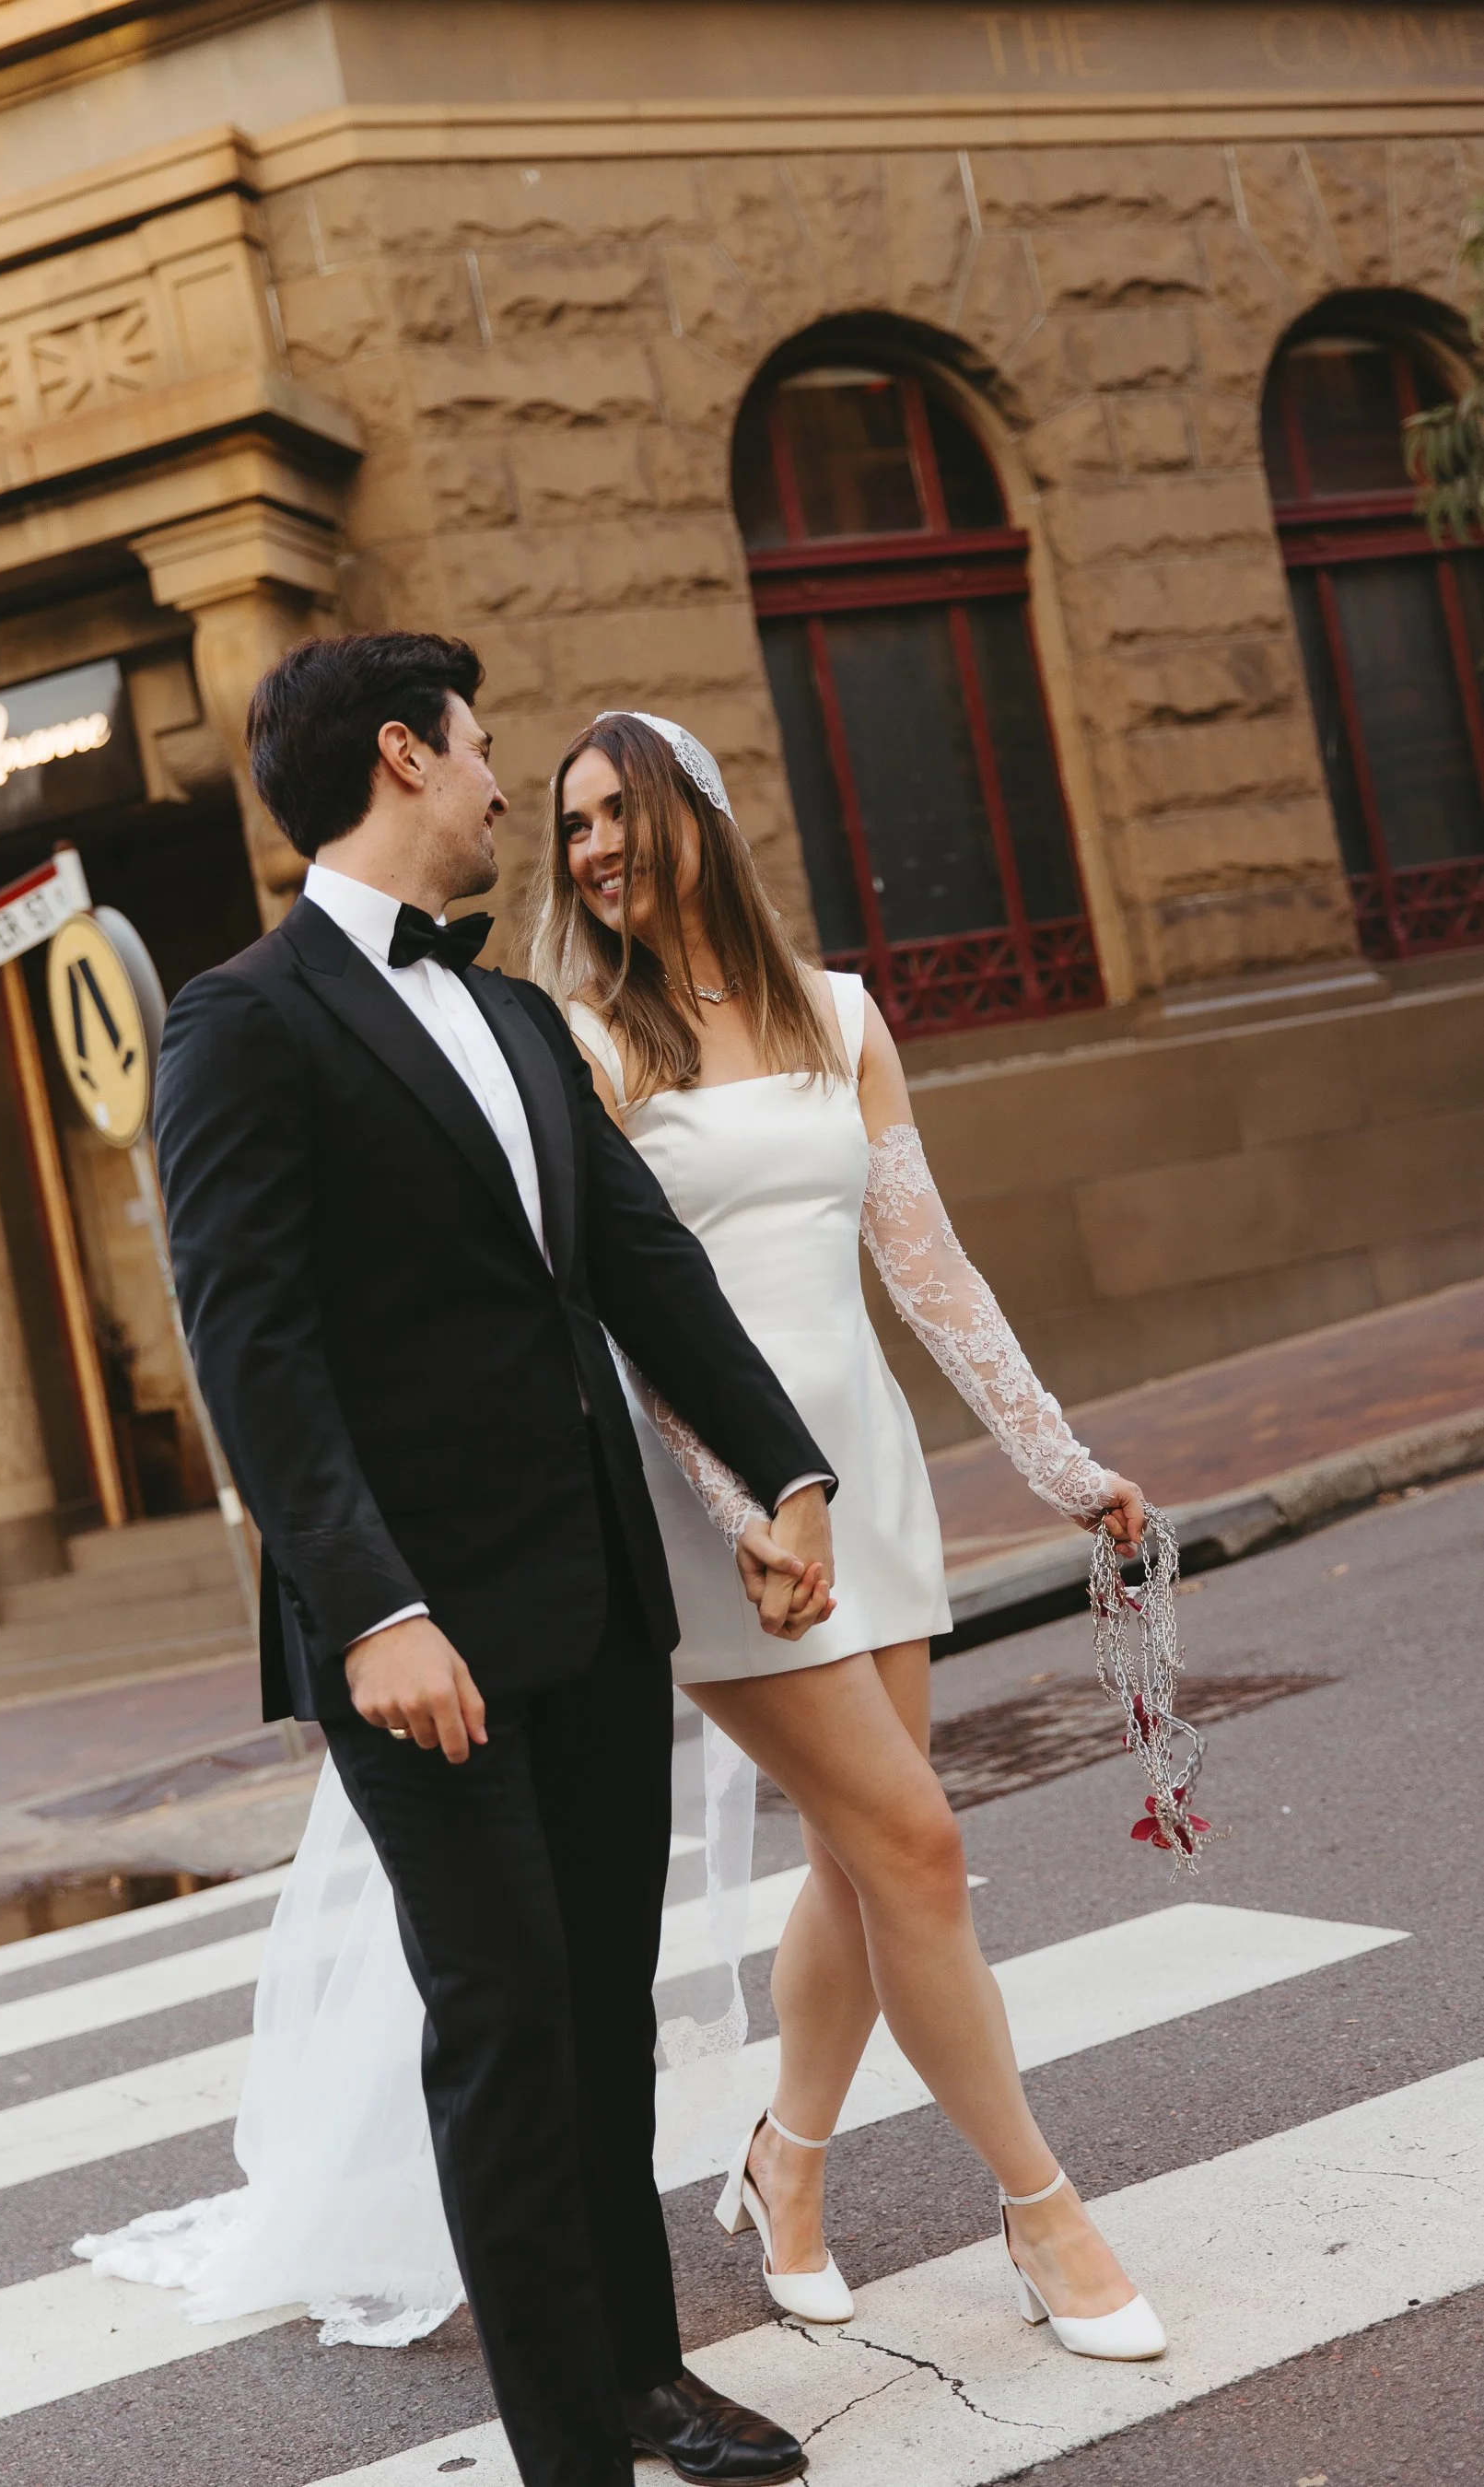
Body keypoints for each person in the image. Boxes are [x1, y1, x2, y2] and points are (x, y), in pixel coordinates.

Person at [146, 634, 843, 2487]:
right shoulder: (244, 1019)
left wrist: (785, 1469)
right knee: (509, 2019)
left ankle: (640, 2374)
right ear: (401, 756)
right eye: (479, 748)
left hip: (592, 1597)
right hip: (416, 1638)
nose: (502, 782)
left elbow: (641, 1270)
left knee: (598, 2010)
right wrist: (370, 1605)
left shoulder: (525, 1018)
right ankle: (569, 2452)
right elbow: (253, 1348)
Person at [524, 709, 1166, 2363]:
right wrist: (749, 1507)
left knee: (858, 1858)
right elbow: (628, 1323)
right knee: (918, 1848)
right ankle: (1044, 2211)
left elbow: (928, 1268)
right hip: (720, 1511)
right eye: (570, 826)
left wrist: (1061, 1461)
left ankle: (783, 2165)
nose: (592, 848)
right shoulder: (585, 1046)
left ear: (698, 817)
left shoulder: (842, 1015)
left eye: (617, 813)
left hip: (865, 1479)